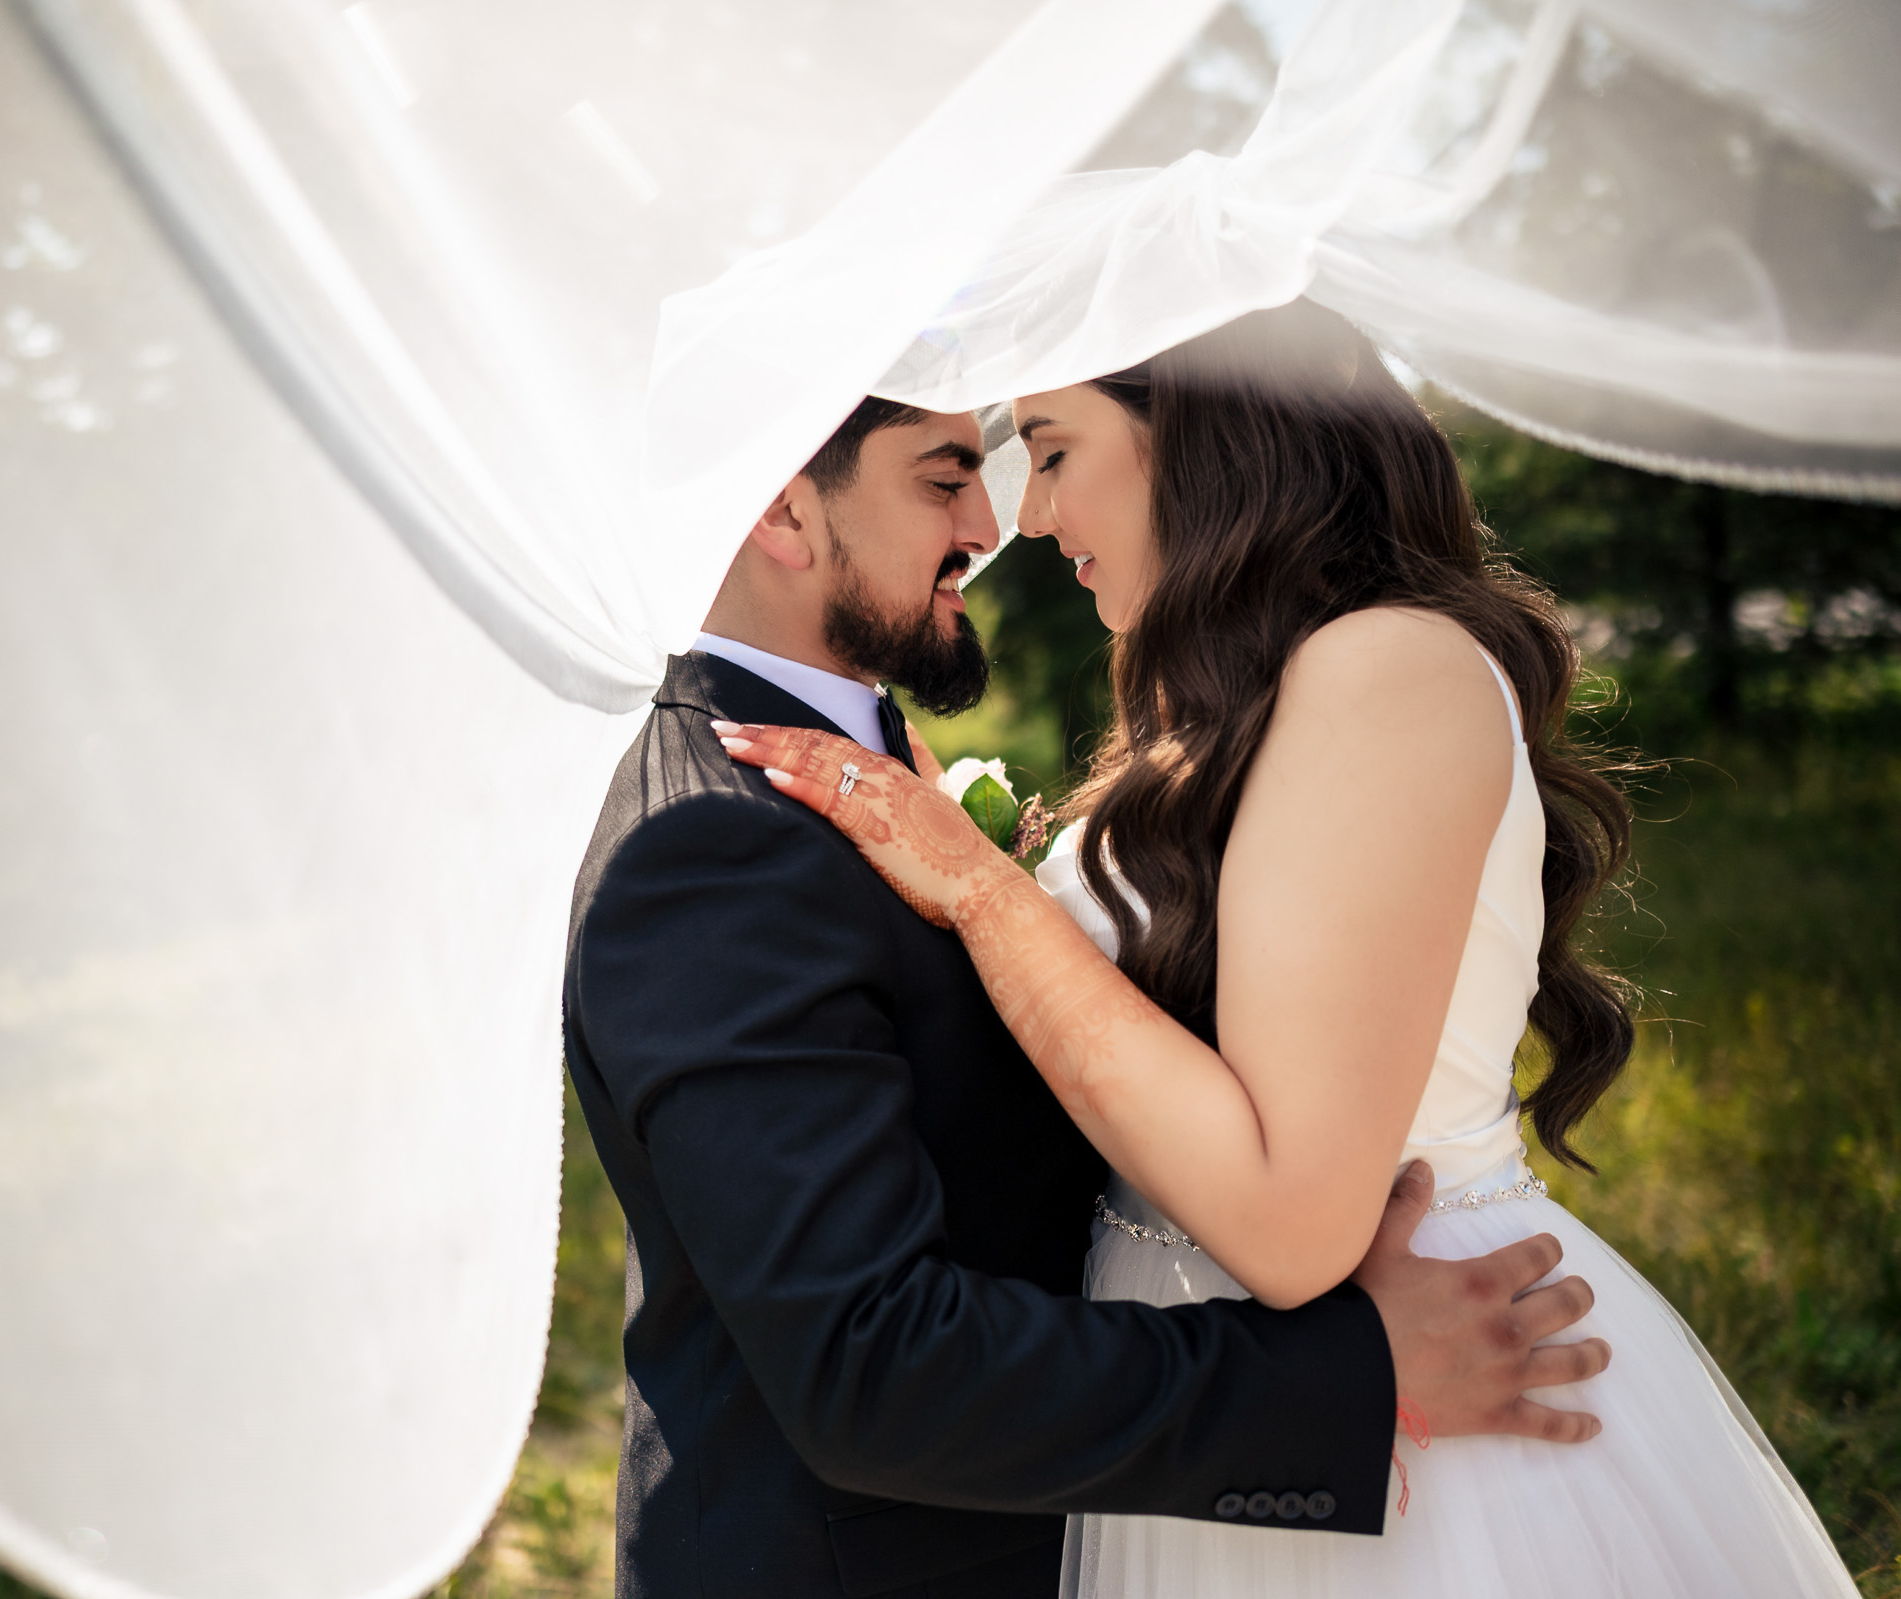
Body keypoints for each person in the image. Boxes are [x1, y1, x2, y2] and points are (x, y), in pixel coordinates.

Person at [716, 299, 1860, 1598]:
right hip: (1232, 1411)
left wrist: (987, 893)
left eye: (1053, 449)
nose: (1026, 519)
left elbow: (1284, 1220)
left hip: (1428, 1417)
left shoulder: (1390, 667)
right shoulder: (1221, 705)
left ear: (1201, 436)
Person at [564, 371, 1615, 1599]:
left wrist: (986, 889)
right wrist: (1346, 1376)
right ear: (787, 515)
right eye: (952, 481)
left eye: (1038, 460)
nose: (997, 526)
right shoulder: (714, 839)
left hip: (1183, 1492)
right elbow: (873, 1369)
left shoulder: (860, 766)